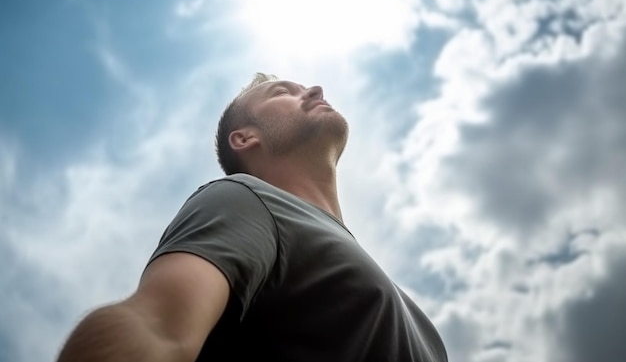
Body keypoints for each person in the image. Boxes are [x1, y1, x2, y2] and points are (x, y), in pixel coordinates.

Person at [56, 73, 448, 362]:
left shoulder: (422, 326)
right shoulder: (245, 198)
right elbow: (155, 329)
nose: (314, 90)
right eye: (283, 92)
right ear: (244, 138)